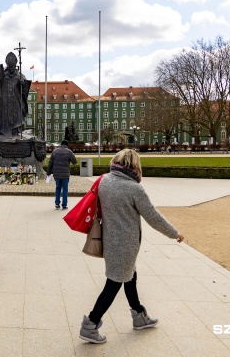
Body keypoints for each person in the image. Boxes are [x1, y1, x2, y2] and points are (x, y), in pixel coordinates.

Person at [79, 149, 184, 344]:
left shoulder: (105, 180)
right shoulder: (134, 188)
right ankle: (90, 324)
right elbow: (153, 217)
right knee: (114, 283)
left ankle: (138, 315)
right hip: (125, 244)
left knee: (130, 277)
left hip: (109, 239)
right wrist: (174, 233)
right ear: (134, 165)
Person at [0, 53, 32, 139]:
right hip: (5, 103)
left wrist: (22, 84)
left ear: (15, 65)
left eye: (12, 67)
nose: (11, 69)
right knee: (4, 121)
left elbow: (25, 91)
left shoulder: (19, 76)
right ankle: (4, 133)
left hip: (16, 103)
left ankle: (16, 132)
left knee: (16, 121)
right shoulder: (4, 75)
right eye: (9, 67)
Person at [47, 140, 77, 209]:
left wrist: (48, 172)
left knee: (58, 188)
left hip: (56, 174)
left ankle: (57, 203)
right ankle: (64, 204)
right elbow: (74, 162)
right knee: (65, 189)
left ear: (61, 144)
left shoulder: (54, 151)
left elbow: (50, 163)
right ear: (67, 145)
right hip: (65, 174)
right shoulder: (69, 152)